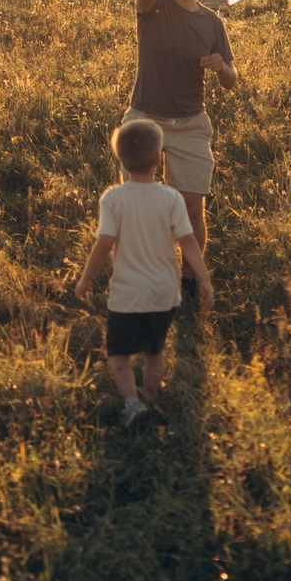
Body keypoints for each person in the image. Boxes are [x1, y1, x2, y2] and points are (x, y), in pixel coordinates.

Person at [71, 117, 213, 424]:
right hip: (165, 293)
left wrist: (84, 280)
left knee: (118, 355)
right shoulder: (172, 197)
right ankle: (153, 398)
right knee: (154, 353)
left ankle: (133, 404)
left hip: (127, 295)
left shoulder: (114, 199)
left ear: (120, 158)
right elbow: (188, 241)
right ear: (160, 157)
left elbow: (103, 245)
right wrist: (203, 279)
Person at [125, 0, 238, 259]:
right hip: (146, 117)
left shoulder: (212, 22)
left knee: (191, 210)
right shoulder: (153, 8)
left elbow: (232, 79)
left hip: (190, 123)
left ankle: (191, 279)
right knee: (137, 202)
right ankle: (138, 269)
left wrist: (223, 68)